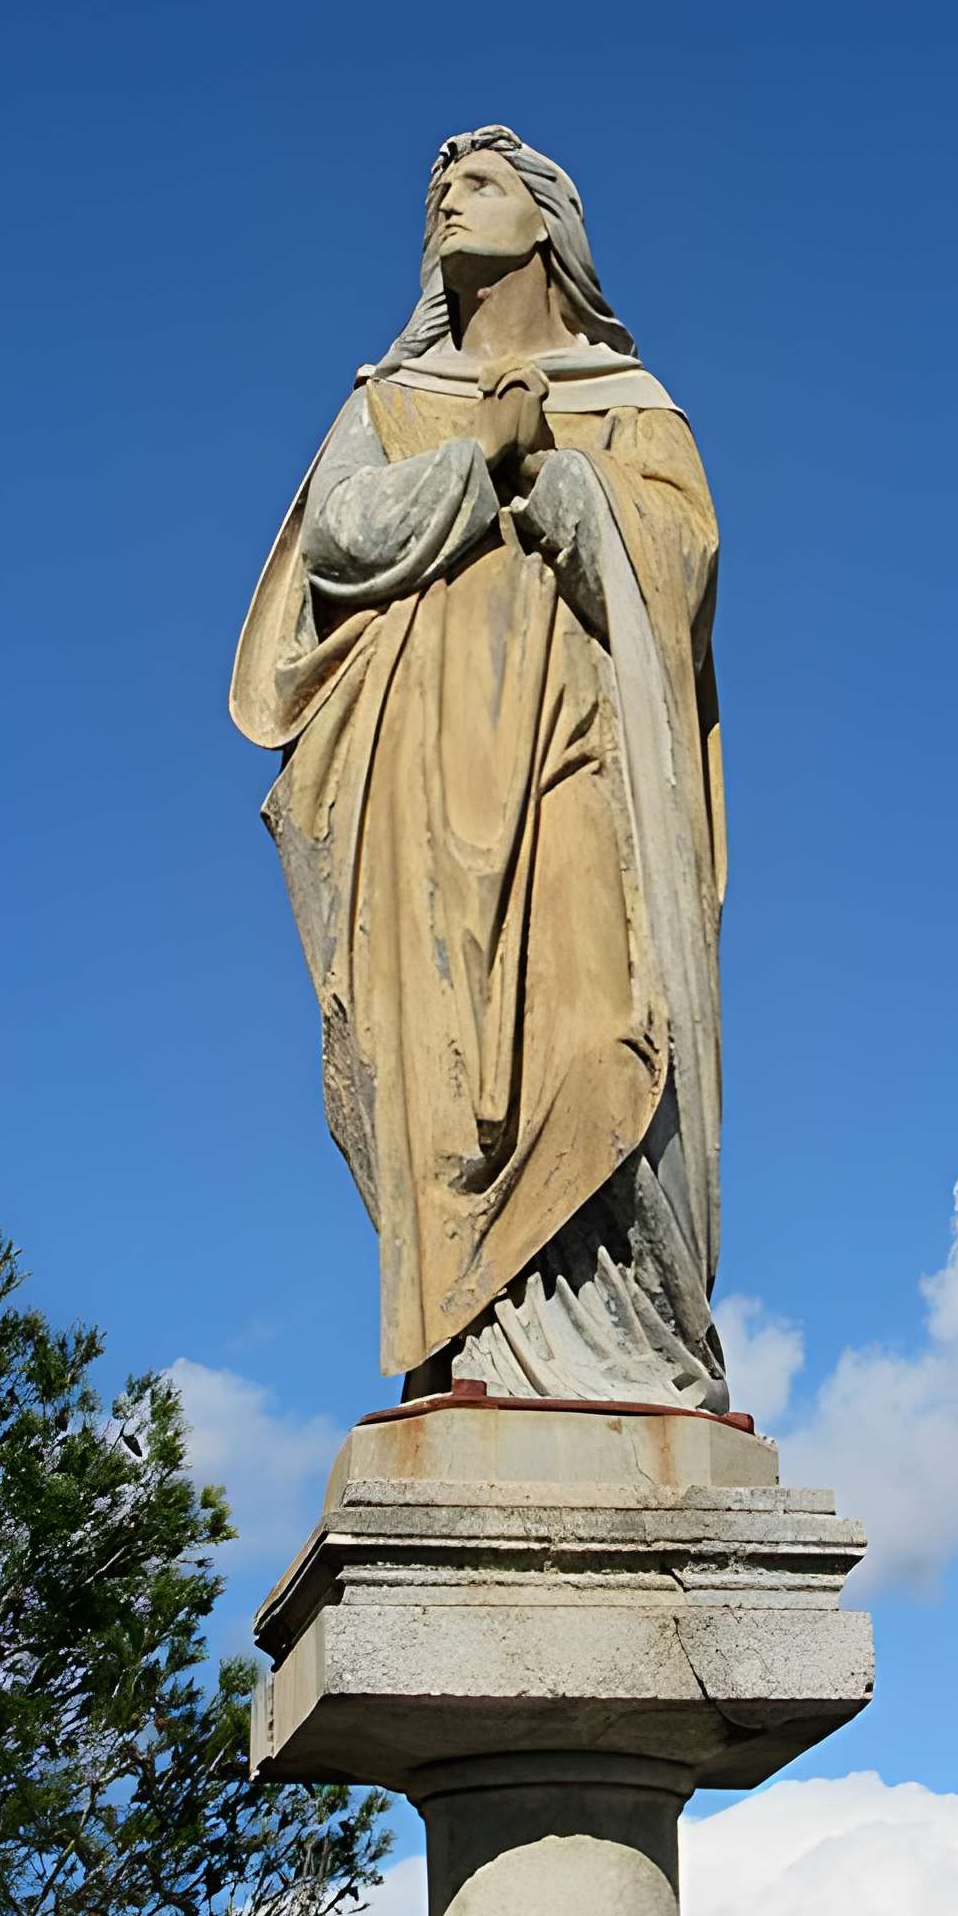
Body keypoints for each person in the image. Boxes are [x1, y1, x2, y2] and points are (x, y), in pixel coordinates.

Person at [230, 126, 730, 1411]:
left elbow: (680, 559)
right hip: (423, 779)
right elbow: (336, 540)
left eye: (488, 180)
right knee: (441, 1064)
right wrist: (477, 460)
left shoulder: (627, 402)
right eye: (443, 184)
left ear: (550, 225)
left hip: (574, 750)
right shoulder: (389, 404)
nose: (452, 189)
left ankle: (625, 1343)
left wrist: (562, 474)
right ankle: (477, 1342)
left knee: (595, 1024)